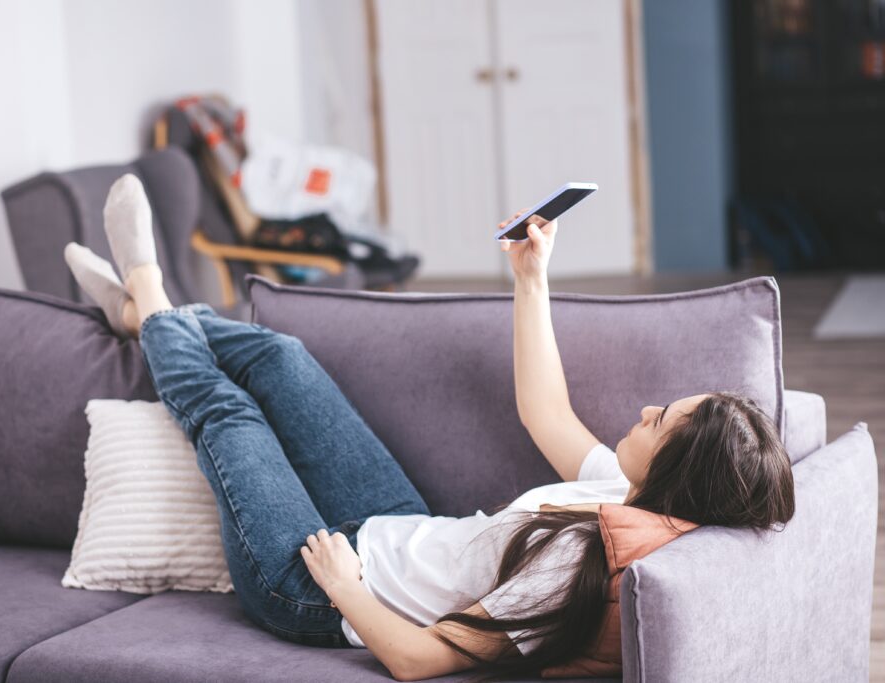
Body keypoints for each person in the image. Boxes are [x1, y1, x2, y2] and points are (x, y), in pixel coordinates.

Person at [62, 175, 796, 682]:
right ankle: (142, 319)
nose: (646, 410)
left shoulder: (576, 568)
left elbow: (420, 660)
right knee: (283, 357)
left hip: (314, 584)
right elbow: (545, 411)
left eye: (661, 421)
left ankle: (151, 295)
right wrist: (531, 278)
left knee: (231, 413)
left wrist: (346, 588)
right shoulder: (623, 494)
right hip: (398, 525)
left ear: (675, 474)